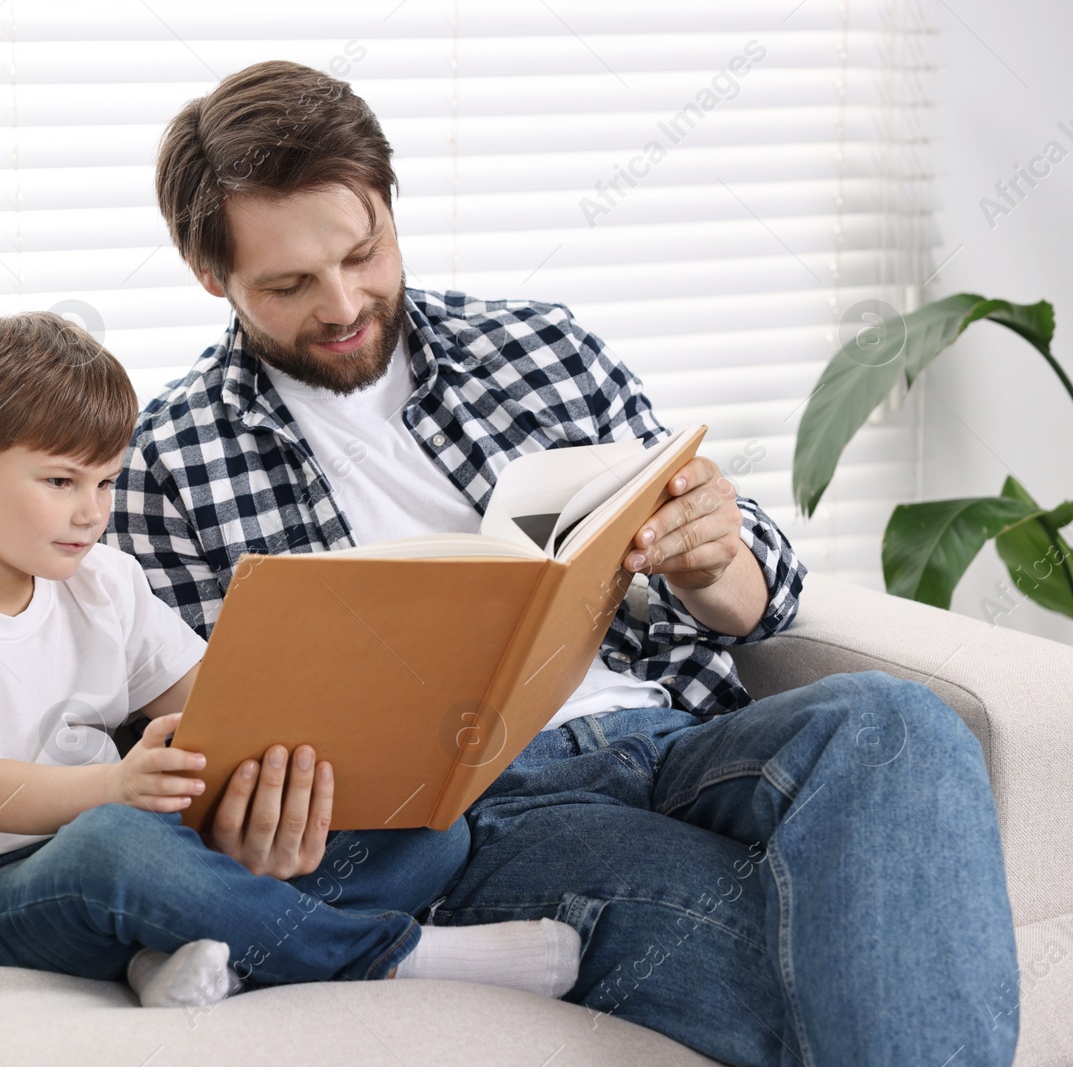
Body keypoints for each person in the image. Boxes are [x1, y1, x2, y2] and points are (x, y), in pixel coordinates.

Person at [106, 60, 1020, 1063]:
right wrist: (249, 820)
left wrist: (711, 560)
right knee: (829, 964)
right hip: (487, 812)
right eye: (287, 284)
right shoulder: (166, 465)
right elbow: (183, 745)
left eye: (365, 252)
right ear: (212, 278)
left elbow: (763, 595)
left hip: (675, 736)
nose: (344, 302)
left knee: (900, 722)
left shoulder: (539, 349)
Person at [0, 311, 583, 1010]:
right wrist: (118, 786)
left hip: (132, 859)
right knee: (118, 843)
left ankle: (178, 950)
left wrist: (288, 776)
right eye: (60, 481)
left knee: (428, 833)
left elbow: (219, 701)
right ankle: (390, 957)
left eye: (106, 480)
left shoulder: (105, 580)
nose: (93, 511)